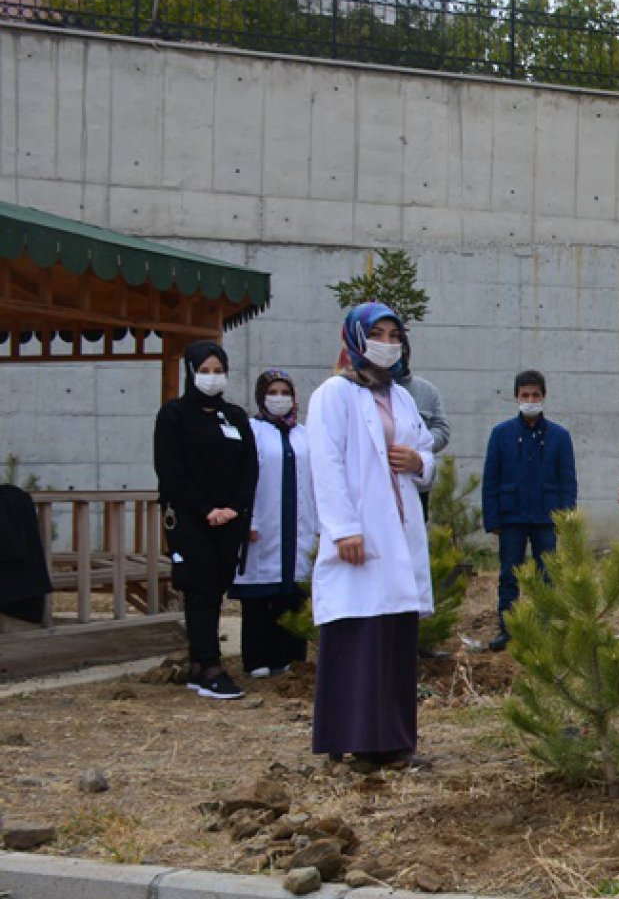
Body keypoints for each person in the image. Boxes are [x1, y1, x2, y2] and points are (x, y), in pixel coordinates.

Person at [306, 303, 436, 768]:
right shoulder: (333, 394)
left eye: (393, 333)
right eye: (377, 333)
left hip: (399, 531)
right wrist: (343, 529)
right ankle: (356, 740)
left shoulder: (399, 396)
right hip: (360, 532)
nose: (387, 341)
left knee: (395, 634)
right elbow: (326, 463)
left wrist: (420, 463)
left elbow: (423, 449)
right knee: (359, 633)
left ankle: (394, 741)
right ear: (356, 339)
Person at [154, 341, 259, 701]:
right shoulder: (174, 415)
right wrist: (205, 509)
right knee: (199, 588)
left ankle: (200, 664)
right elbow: (170, 470)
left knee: (216, 589)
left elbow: (250, 467)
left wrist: (235, 508)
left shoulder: (235, 416)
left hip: (229, 518)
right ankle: (211, 667)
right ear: (190, 371)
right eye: (204, 370)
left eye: (218, 370)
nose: (211, 377)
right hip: (191, 518)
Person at [482, 370, 578, 652]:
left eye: (535, 395)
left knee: (548, 574)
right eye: (525, 395)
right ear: (516, 397)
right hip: (512, 517)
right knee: (509, 574)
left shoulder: (560, 436)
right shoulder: (501, 434)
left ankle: (547, 628)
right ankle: (508, 628)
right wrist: (493, 519)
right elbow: (491, 479)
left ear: (544, 396)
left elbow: (568, 480)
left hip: (546, 518)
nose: (531, 400)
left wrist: (566, 517)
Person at [230, 370, 317, 678]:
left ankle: (291, 658)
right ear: (261, 395)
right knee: (259, 598)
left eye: (285, 392)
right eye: (273, 391)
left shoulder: (305, 434)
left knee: (293, 594)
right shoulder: (251, 431)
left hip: (300, 526)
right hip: (262, 525)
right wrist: (247, 519)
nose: (279, 397)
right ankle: (257, 659)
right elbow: (241, 478)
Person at [392, 337, 449, 520]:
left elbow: (442, 429)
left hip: (416, 484)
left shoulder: (427, 391)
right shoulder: (364, 391)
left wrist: (418, 448)